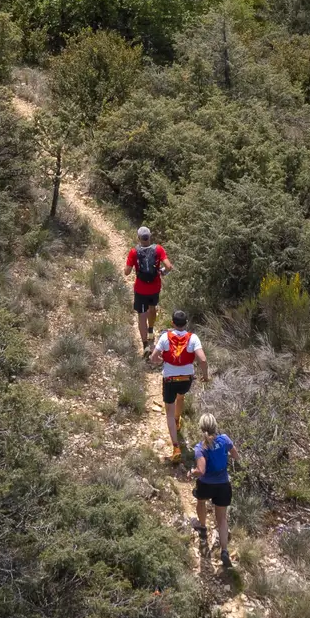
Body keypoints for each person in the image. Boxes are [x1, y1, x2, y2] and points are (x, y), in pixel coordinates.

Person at [150, 310, 206, 460]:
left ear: (172, 323)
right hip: (186, 379)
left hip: (170, 379)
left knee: (168, 410)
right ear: (186, 323)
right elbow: (203, 360)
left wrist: (159, 361)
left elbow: (153, 357)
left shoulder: (165, 337)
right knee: (180, 397)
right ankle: (177, 419)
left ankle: (176, 447)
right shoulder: (193, 338)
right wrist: (205, 376)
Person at [192, 413, 235, 563]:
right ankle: (224, 551)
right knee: (222, 519)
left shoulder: (200, 448)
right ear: (215, 426)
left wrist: (192, 472)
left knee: (201, 501)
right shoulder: (224, 440)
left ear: (201, 428)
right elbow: (236, 455)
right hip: (223, 485)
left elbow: (201, 471)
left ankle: (203, 527)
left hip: (206, 484)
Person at [125, 226, 171, 345]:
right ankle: (151, 330)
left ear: (138, 238)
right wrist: (162, 272)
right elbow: (169, 266)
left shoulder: (134, 252)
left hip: (140, 288)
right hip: (155, 287)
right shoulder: (158, 249)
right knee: (152, 308)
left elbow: (127, 272)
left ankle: (145, 344)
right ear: (150, 236)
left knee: (142, 315)